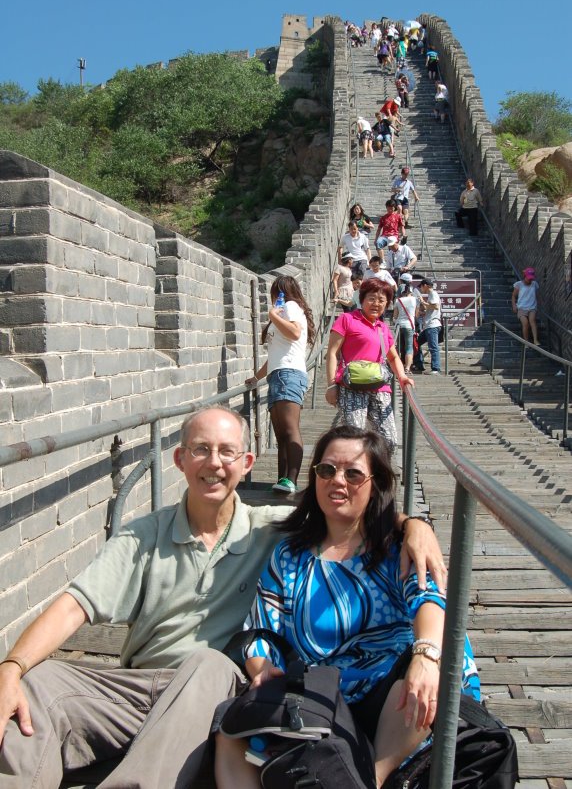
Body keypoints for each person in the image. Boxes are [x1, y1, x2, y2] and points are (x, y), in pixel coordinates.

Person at [0, 407, 446, 789]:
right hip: (140, 688)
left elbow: (348, 509)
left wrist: (414, 526)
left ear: (247, 462)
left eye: (227, 452)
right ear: (179, 458)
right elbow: (73, 605)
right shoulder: (143, 536)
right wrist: (12, 667)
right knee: (43, 683)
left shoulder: (272, 528)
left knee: (208, 662)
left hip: (213, 688)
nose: (213, 463)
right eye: (200, 449)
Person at [215, 425, 479, 789]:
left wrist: (426, 655)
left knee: (419, 683)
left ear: (375, 484)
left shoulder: (395, 547)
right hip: (319, 697)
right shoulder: (290, 555)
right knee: (230, 729)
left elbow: (429, 598)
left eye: (353, 473)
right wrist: (262, 673)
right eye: (327, 470)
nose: (337, 480)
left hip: (392, 700)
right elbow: (262, 629)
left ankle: (372, 779)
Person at [325, 279, 413, 452]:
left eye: (382, 300)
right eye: (372, 298)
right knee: (354, 437)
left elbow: (393, 357)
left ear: (387, 304)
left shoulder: (383, 328)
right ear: (362, 299)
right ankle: (357, 476)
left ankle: (377, 474)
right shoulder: (347, 319)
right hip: (351, 387)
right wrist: (331, 385)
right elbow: (332, 353)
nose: (376, 304)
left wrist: (402, 377)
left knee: (388, 439)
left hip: (379, 387)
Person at [246, 276, 315, 494]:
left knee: (289, 429)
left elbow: (294, 333)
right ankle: (282, 479)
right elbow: (275, 355)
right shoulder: (284, 311)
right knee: (281, 434)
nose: (275, 297)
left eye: (276, 292)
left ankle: (291, 479)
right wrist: (256, 378)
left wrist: (273, 315)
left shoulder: (291, 307)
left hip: (289, 374)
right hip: (278, 374)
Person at [415, 279, 442, 374]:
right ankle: (419, 364)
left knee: (433, 347)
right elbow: (431, 308)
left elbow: (435, 306)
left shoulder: (433, 293)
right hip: (429, 326)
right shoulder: (431, 294)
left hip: (432, 325)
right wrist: (423, 312)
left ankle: (436, 368)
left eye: (421, 286)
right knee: (416, 343)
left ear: (425, 285)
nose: (421, 289)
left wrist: (423, 301)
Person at [393, 273, 418, 375]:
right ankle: (407, 368)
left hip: (399, 325)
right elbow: (416, 315)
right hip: (409, 325)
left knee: (398, 347)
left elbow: (395, 316)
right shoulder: (414, 300)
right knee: (409, 347)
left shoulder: (398, 300)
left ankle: (398, 367)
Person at [512, 267, 540, 346]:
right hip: (521, 307)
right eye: (529, 278)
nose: (530, 280)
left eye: (531, 279)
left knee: (532, 321)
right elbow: (513, 296)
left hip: (532, 307)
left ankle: (535, 340)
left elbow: (535, 295)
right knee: (525, 323)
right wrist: (514, 306)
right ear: (525, 276)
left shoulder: (535, 284)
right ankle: (526, 342)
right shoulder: (519, 284)